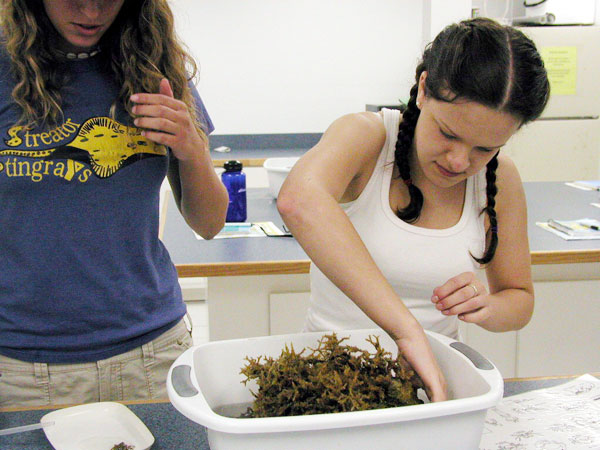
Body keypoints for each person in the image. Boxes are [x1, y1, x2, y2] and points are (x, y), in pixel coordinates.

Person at [277, 17, 550, 402]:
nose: (459, 161)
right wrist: (406, 330)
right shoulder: (367, 137)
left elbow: (519, 300)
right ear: (423, 89)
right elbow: (298, 200)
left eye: (484, 148)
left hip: (431, 385)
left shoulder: (501, 180)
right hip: (324, 382)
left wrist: (487, 306)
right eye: (448, 133)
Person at [0, 0, 228, 407]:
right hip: (21, 368)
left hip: (153, 354)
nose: (91, 13)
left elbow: (209, 223)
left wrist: (191, 147)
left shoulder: (155, 69)